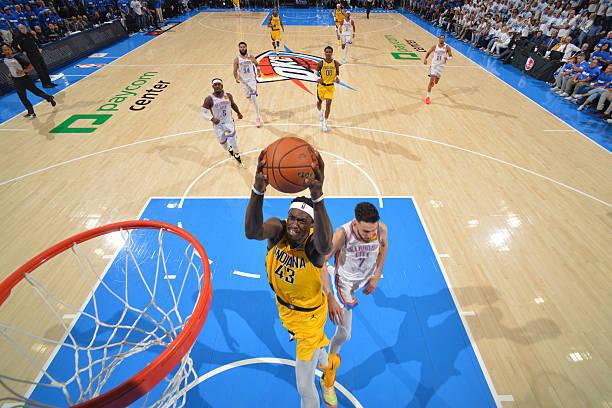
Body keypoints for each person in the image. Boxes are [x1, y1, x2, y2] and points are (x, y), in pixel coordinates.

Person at [245, 149, 336, 408]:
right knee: (319, 351)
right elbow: (252, 232)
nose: (295, 224)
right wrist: (258, 190)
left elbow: (326, 244)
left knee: (304, 386)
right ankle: (329, 364)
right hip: (288, 311)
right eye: (293, 218)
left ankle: (327, 381)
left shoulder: (313, 247)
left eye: (302, 221)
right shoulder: (279, 230)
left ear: (312, 225)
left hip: (309, 319)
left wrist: (318, 197)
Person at [320, 202, 388, 407]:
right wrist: (330, 297)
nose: (370, 234)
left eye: (373, 230)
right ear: (355, 223)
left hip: (363, 278)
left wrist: (376, 275)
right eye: (366, 231)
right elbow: (321, 262)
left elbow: (383, 246)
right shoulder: (342, 234)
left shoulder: (380, 229)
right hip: (344, 284)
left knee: (344, 332)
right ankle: (328, 378)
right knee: (345, 335)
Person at [2, 43, 56, 118]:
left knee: (36, 92)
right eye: (5, 50)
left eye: (8, 49)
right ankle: (31, 112)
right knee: (22, 97)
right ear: (3, 52)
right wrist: (11, 74)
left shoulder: (17, 58)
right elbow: (12, 68)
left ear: (11, 50)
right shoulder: (5, 60)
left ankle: (49, 98)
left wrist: (23, 71)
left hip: (25, 79)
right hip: (16, 81)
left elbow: (30, 66)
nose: (7, 51)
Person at [201, 78, 244, 165]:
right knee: (223, 143)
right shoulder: (209, 99)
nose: (217, 86)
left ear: (222, 85)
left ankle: (237, 154)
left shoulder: (228, 95)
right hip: (218, 125)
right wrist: (211, 118)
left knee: (233, 141)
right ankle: (229, 149)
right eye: (215, 85)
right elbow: (203, 113)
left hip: (229, 122)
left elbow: (233, 104)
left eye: (219, 84)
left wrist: (238, 113)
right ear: (212, 86)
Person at [12, 24, 56, 88]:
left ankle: (49, 82)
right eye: (21, 28)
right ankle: (45, 84)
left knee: (44, 68)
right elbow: (14, 45)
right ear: (19, 29)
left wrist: (40, 47)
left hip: (37, 52)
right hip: (31, 55)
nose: (23, 29)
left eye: (23, 27)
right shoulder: (18, 36)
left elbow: (36, 40)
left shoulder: (29, 34)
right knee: (39, 70)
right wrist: (22, 51)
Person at [233, 41, 262, 127]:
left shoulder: (251, 57)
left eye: (244, 47)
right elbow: (234, 70)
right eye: (241, 47)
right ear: (239, 48)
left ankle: (258, 118)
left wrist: (259, 72)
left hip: (252, 80)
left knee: (253, 98)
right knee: (249, 98)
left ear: (246, 47)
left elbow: (257, 64)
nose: (242, 48)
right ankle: (254, 100)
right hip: (244, 82)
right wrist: (236, 78)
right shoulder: (237, 59)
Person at [316, 46, 340, 133]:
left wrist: (337, 78)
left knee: (328, 104)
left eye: (330, 52)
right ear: (325, 53)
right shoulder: (321, 63)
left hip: (330, 87)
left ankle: (325, 122)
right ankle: (320, 111)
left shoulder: (335, 63)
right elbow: (315, 73)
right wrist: (317, 78)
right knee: (319, 102)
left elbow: (337, 73)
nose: (328, 53)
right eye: (327, 52)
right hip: (321, 87)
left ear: (332, 53)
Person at [423, 34, 452, 105]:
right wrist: (425, 59)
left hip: (441, 66)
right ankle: (427, 97)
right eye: (440, 38)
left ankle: (434, 81)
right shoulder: (435, 46)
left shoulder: (447, 47)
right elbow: (428, 53)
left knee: (436, 82)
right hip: (434, 65)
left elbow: (451, 56)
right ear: (439, 39)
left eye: (443, 38)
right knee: (431, 79)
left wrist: (447, 58)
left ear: (444, 39)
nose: (441, 39)